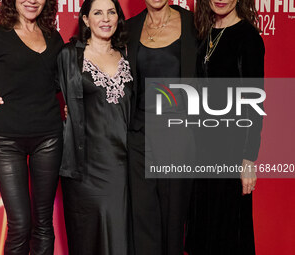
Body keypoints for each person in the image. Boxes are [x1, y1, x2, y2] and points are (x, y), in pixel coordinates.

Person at [0, 0, 63, 254]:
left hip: (49, 138)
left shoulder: (53, 38)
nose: (32, 0)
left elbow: (61, 85)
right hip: (6, 141)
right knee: (20, 224)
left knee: (44, 223)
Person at [185, 0, 264, 254]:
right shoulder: (205, 32)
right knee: (203, 232)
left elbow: (255, 102)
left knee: (228, 234)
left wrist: (249, 158)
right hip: (200, 151)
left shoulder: (248, 38)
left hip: (230, 151)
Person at [57, 0, 132, 254]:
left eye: (111, 12)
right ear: (86, 20)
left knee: (121, 235)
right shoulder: (69, 56)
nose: (105, 18)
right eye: (97, 13)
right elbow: (37, 90)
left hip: (124, 165)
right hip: (85, 167)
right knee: (89, 238)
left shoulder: (128, 54)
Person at [126, 0, 198, 254]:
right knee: (142, 214)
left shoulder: (193, 23)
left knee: (174, 215)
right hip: (139, 134)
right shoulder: (130, 27)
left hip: (178, 131)